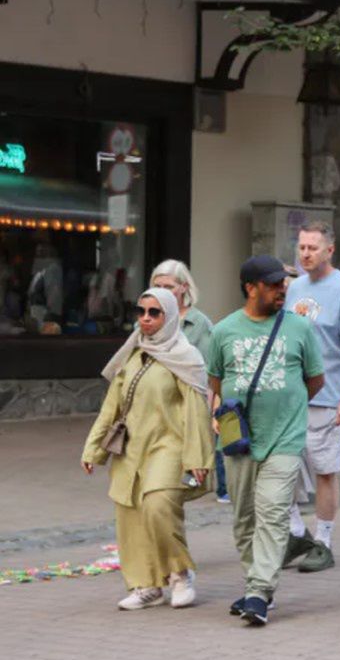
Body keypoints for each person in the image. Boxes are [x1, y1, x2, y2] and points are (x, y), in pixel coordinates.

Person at [207, 255, 324, 626]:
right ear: (250, 287)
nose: (282, 289)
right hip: (239, 439)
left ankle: (258, 592)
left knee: (272, 512)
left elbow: (314, 380)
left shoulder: (299, 329)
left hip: (284, 439)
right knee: (244, 519)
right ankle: (257, 584)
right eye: (274, 284)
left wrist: (286, 406)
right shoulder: (223, 331)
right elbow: (216, 383)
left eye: (284, 283)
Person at [82, 288, 214, 610]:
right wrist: (92, 449)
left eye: (154, 313)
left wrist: (198, 457)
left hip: (169, 445)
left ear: (169, 317)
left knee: (158, 507)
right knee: (130, 516)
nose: (145, 318)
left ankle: (180, 574)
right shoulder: (133, 353)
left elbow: (196, 410)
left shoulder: (186, 358)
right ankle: (147, 586)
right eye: (141, 311)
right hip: (131, 448)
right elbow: (111, 407)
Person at [282, 222, 340, 574]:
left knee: (325, 471)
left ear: (329, 250)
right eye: (301, 247)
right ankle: (295, 533)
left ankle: (324, 541)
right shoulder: (294, 288)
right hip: (290, 397)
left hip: (327, 396)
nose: (305, 254)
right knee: (282, 466)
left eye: (312, 248)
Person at [151, 260, 225, 502]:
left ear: (183, 287)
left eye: (169, 286)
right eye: (157, 285)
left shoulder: (199, 323)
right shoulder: (148, 317)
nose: (162, 290)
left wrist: (212, 407)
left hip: (187, 398)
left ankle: (188, 481)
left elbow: (209, 369)